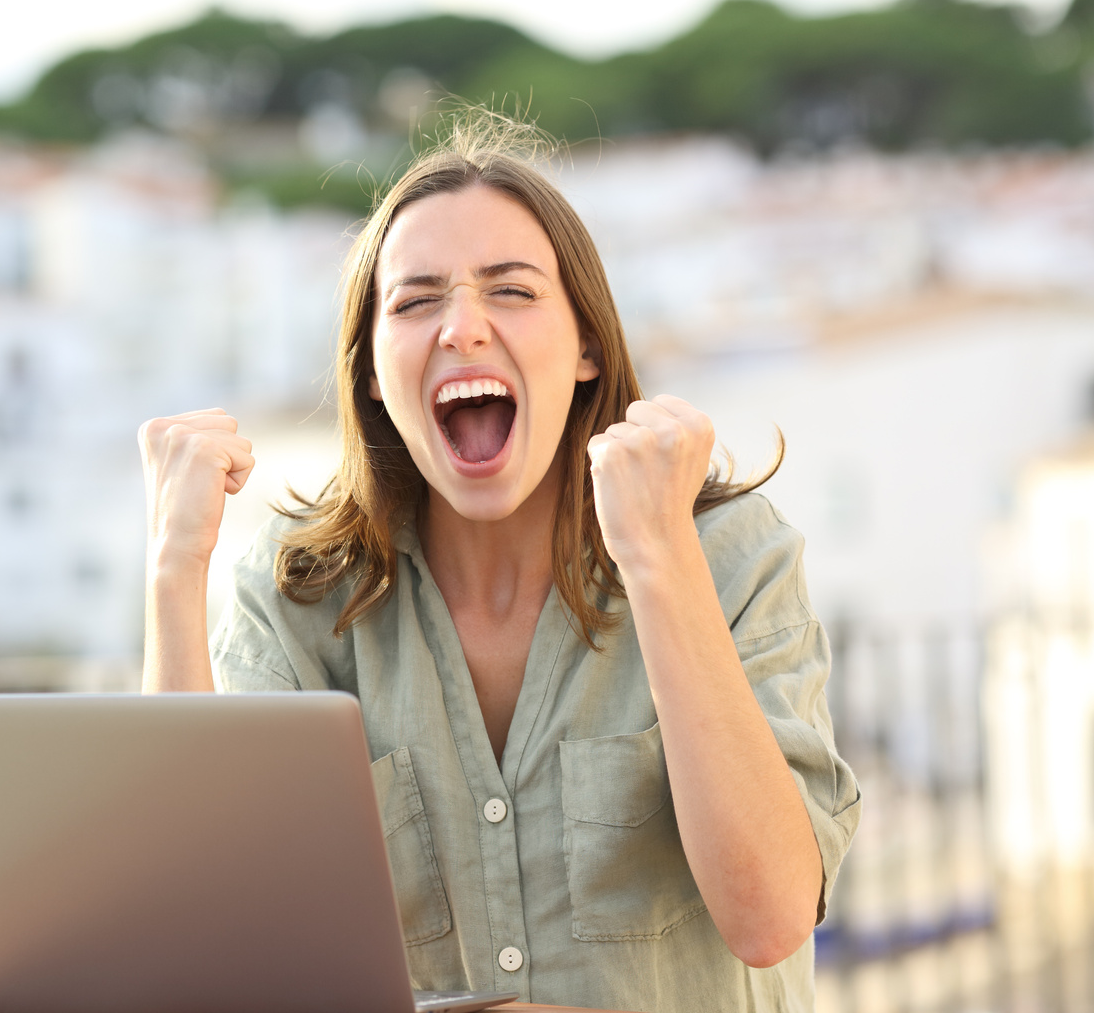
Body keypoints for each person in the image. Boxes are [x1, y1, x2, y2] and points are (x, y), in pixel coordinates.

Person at [137, 110, 860, 1013]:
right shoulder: (295, 601)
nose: (463, 328)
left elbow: (771, 916)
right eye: (415, 300)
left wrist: (659, 559)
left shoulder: (728, 557)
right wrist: (174, 570)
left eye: (511, 291)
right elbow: (200, 943)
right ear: (370, 370)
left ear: (588, 345)